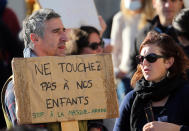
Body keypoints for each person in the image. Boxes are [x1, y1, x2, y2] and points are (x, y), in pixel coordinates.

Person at [2, 8, 68, 130]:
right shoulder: (20, 85)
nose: (65, 37)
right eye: (56, 31)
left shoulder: (72, 77)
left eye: (64, 30)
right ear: (35, 38)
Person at [113, 31, 189, 131]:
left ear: (169, 62)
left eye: (151, 58)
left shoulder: (185, 94)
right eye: (141, 59)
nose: (144, 63)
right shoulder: (131, 99)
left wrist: (177, 129)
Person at [129, 0, 184, 77]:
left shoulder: (186, 31)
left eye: (173, 0)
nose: (168, 5)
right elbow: (133, 65)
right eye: (163, 1)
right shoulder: (143, 34)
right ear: (154, 3)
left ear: (181, 3)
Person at [110, 0, 155, 79]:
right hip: (126, 75)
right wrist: (116, 71)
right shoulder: (120, 18)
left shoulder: (152, 17)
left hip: (149, 73)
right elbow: (114, 49)